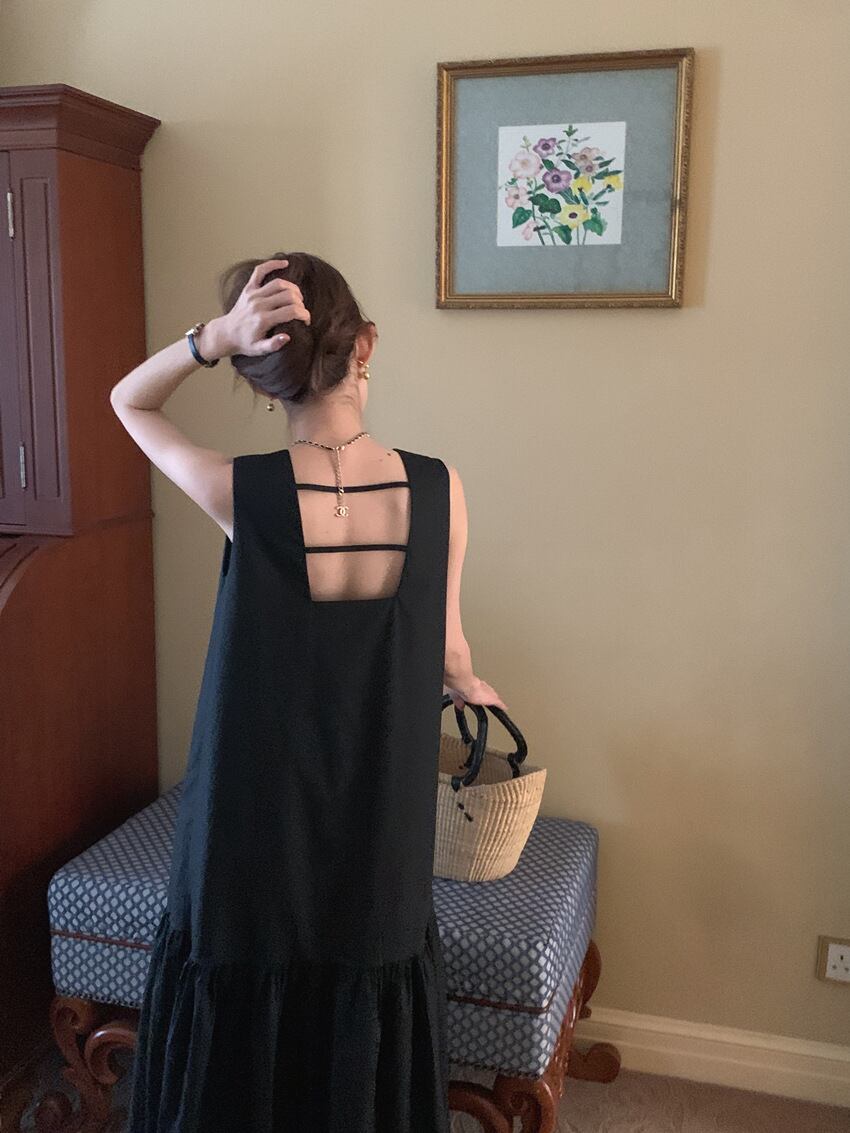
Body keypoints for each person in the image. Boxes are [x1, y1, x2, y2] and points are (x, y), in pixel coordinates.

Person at [109, 251, 506, 1132]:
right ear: (367, 345)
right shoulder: (438, 488)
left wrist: (210, 339)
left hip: (248, 823)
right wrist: (471, 685)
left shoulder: (240, 490)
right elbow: (450, 652)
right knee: (372, 973)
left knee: (239, 984)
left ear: (260, 371)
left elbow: (128, 401)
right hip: (377, 818)